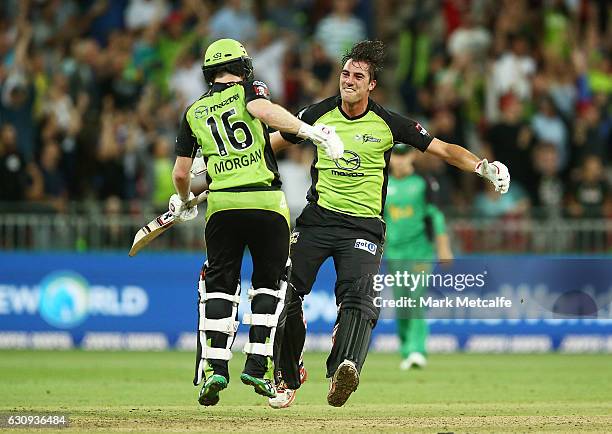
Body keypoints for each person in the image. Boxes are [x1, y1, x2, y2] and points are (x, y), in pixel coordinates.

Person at [268, 40, 510, 408]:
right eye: (346, 73)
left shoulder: (388, 123)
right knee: (283, 294)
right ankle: (288, 375)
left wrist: (482, 167)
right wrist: (227, 162)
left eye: (358, 76)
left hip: (363, 228)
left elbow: (442, 149)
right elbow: (273, 144)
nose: (349, 80)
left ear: (371, 86)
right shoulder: (315, 115)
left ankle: (343, 370)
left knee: (360, 301)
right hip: (317, 221)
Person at [170, 38, 343, 407]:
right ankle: (257, 362)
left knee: (219, 287)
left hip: (222, 208)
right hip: (266, 204)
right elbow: (263, 110)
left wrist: (185, 201)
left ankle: (216, 367)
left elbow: (181, 173)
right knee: (270, 284)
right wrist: (310, 132)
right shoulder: (250, 89)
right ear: (244, 67)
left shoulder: (193, 111)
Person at [383, 143, 453, 371]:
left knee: (415, 300)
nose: (400, 160)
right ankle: (406, 349)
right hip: (395, 253)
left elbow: (436, 216)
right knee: (402, 303)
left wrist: (443, 248)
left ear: (412, 156)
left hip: (420, 251)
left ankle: (417, 350)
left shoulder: (423, 183)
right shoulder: (382, 184)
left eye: (404, 155)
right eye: (396, 155)